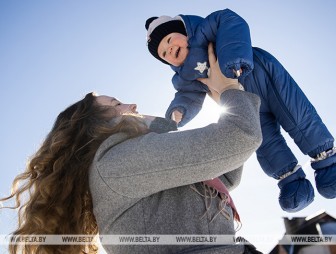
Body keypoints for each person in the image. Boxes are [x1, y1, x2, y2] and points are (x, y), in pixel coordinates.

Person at [0, 44, 263, 254]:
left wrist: (223, 102)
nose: (132, 105)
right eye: (117, 104)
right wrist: (230, 91)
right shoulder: (116, 162)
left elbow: (226, 175)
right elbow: (241, 137)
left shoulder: (131, 155)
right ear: (95, 126)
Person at [145, 8, 336, 213]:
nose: (169, 50)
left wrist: (233, 57)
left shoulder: (205, 30)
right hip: (243, 102)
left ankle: (327, 162)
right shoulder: (185, 77)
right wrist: (178, 113)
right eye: (163, 54)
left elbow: (231, 21)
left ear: (183, 30)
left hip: (264, 77)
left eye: (169, 40)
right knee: (262, 140)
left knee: (297, 115)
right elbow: (187, 96)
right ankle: (290, 180)